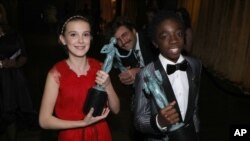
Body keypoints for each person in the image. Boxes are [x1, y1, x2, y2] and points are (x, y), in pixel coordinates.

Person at [39, 15, 120, 141]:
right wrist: (82, 123)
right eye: (73, 35)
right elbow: (44, 120)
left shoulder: (101, 67)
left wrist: (108, 85)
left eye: (86, 34)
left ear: (91, 38)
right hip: (71, 136)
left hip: (101, 134)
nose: (81, 40)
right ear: (63, 39)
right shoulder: (56, 74)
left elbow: (116, 109)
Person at [133, 10, 202, 141]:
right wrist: (159, 121)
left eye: (179, 34)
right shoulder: (145, 74)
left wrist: (196, 132)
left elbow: (194, 107)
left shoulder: (195, 65)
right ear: (155, 43)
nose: (174, 40)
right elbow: (139, 120)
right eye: (164, 36)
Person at [109, 16, 158, 141]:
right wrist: (126, 79)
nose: (123, 42)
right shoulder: (121, 52)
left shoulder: (150, 39)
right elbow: (131, 78)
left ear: (134, 30)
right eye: (118, 40)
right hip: (144, 100)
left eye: (125, 34)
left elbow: (165, 66)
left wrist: (140, 71)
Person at [0, 3, 37, 141]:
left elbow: (24, 56)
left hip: (12, 80)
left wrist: (15, 63)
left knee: (11, 114)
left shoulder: (12, 33)